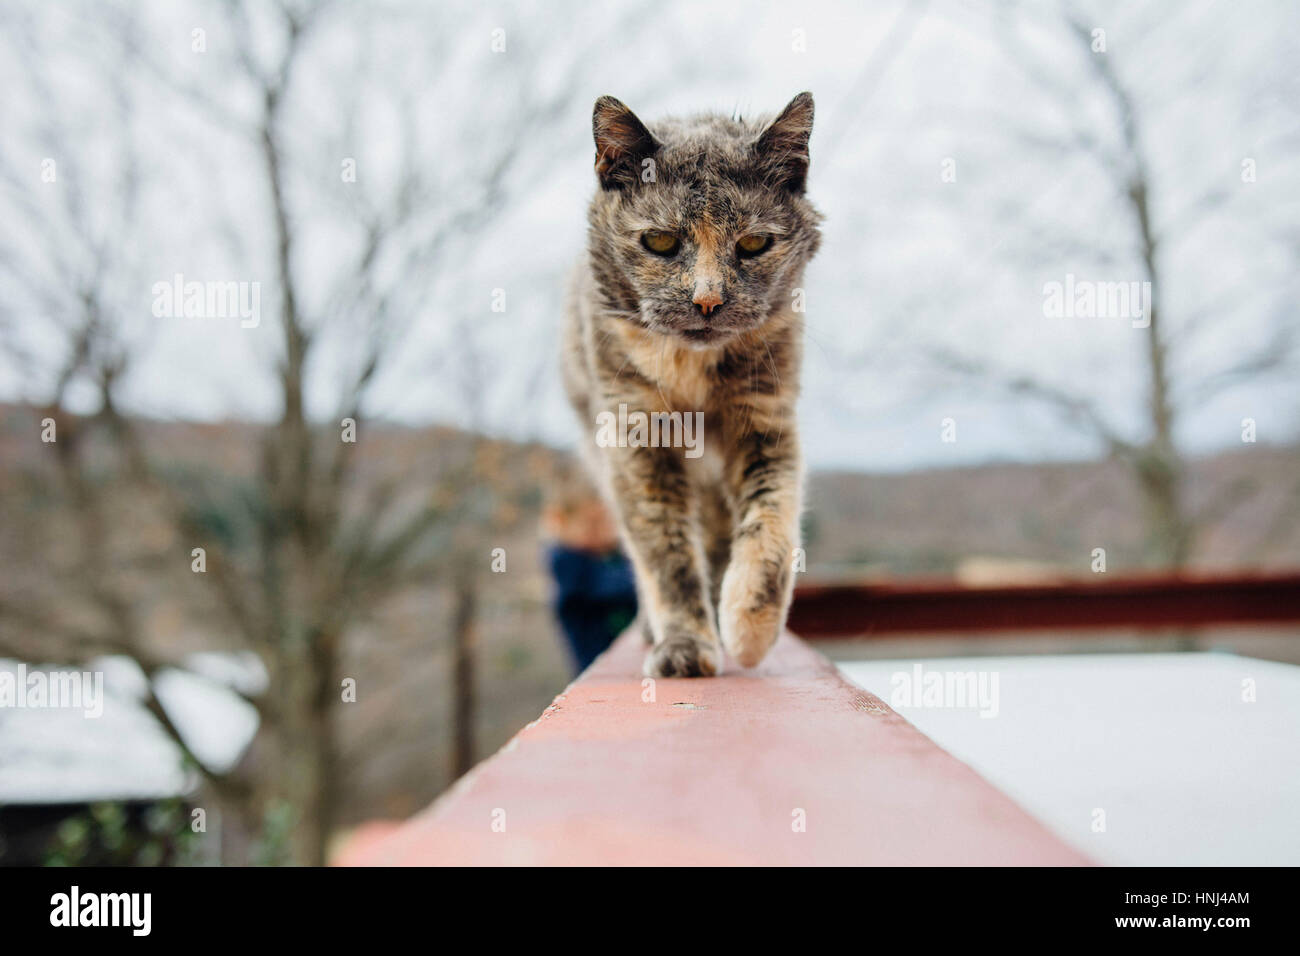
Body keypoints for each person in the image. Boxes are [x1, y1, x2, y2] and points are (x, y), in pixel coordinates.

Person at [541, 469, 637, 673]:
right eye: (593, 523)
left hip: (629, 665)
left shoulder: (611, 555)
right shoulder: (565, 560)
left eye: (609, 521)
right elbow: (616, 588)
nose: (605, 531)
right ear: (559, 521)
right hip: (595, 668)